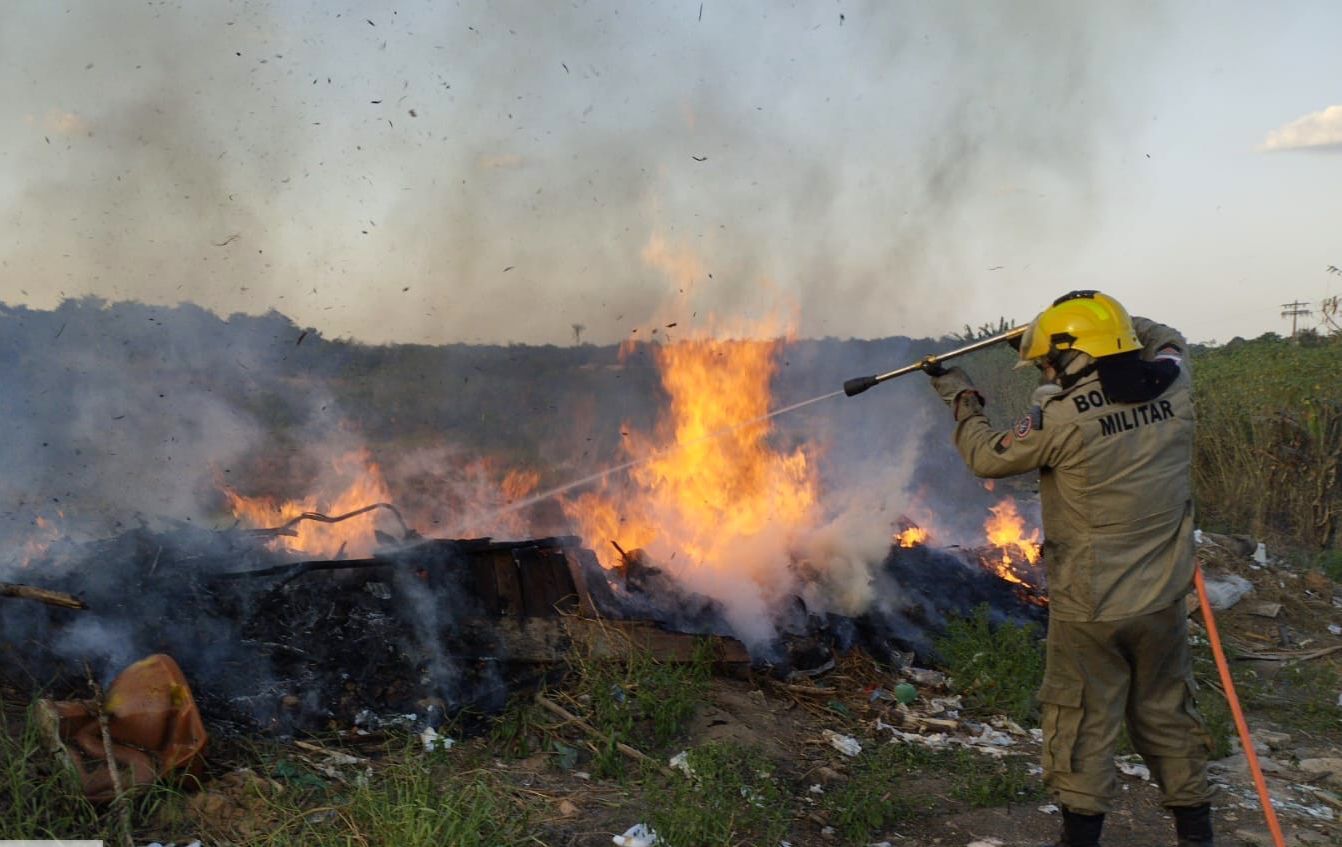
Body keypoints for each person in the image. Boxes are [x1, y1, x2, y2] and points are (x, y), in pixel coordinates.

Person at [922, 290, 1215, 847]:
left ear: (1075, 356)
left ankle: (1080, 839)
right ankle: (1197, 836)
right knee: (1168, 713)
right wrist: (1095, 322)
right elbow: (1166, 337)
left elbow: (987, 455)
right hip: (1163, 599)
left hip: (1091, 606)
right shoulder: (1174, 387)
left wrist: (960, 395)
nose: (1047, 371)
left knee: (1080, 723)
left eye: (1050, 361)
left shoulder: (1063, 417)